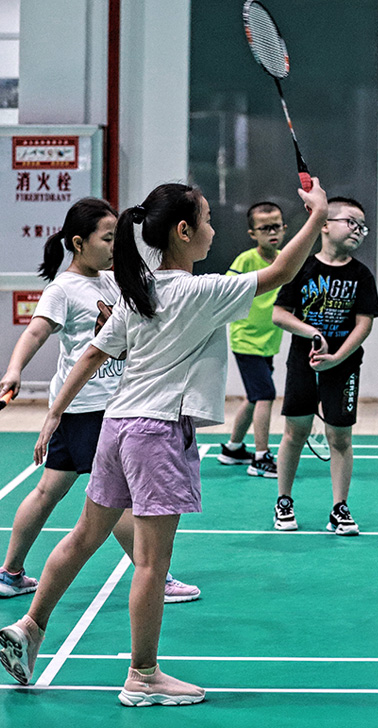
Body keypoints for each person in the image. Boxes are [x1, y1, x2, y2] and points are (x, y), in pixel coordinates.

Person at [0, 179, 328, 705]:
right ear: (183, 231)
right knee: (151, 563)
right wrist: (317, 215)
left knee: (84, 536)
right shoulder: (200, 292)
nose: (213, 229)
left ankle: (28, 628)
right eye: (207, 220)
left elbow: (92, 354)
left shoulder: (140, 289)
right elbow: (282, 272)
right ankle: (143, 676)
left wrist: (55, 412)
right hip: (157, 433)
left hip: (117, 424)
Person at [0, 198, 199, 604]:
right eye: (107, 239)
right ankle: (154, 577)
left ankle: (10, 573)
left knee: (48, 490)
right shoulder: (63, 288)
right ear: (78, 243)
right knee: (117, 501)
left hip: (95, 408)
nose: (114, 246)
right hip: (89, 408)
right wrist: (14, 369)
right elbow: (36, 331)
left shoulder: (112, 280)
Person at [271, 196, 378, 535]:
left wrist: (337, 357)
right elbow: (280, 315)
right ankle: (284, 501)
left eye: (362, 226)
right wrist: (313, 333)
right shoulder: (301, 268)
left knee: (340, 437)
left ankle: (339, 508)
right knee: (295, 433)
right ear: (324, 225)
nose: (358, 230)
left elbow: (364, 324)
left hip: (343, 365)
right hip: (303, 362)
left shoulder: (361, 275)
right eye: (351, 222)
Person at [218, 201, 288, 478]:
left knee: (254, 396)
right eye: (265, 228)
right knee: (266, 395)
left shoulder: (285, 259)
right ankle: (261, 457)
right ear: (253, 233)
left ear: (284, 228)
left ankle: (233, 448)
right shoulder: (245, 261)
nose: (272, 232)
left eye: (276, 226)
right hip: (246, 339)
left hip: (269, 340)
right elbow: (226, 290)